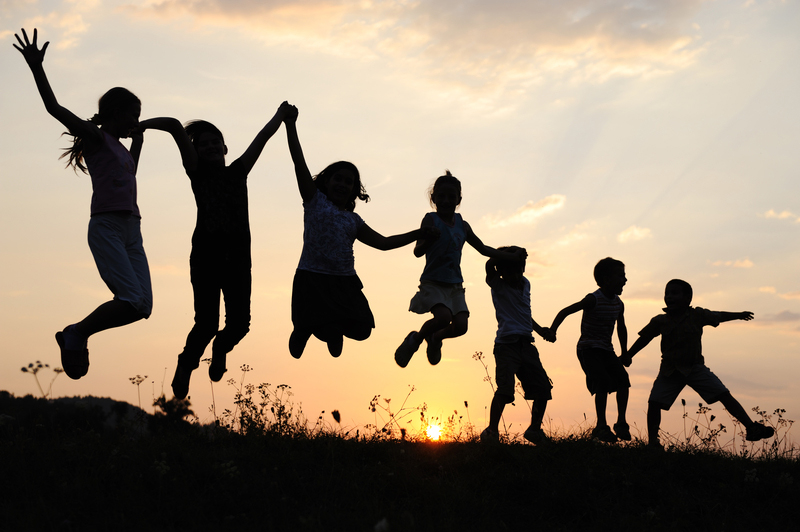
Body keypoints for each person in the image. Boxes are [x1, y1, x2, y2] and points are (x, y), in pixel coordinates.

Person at [14, 28, 152, 380]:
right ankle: (76, 333)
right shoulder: (96, 137)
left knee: (143, 306)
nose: (136, 121)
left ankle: (76, 333)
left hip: (131, 229)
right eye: (132, 115)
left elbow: (132, 170)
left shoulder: (122, 148)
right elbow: (53, 108)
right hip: (106, 226)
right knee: (131, 299)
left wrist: (138, 140)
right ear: (114, 114)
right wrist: (36, 67)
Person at [137, 103, 291, 399]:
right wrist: (139, 126)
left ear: (225, 148)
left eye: (214, 142)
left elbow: (263, 137)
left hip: (238, 261)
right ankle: (187, 363)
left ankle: (221, 348)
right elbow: (171, 123)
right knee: (206, 323)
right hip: (206, 258)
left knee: (239, 325)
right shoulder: (196, 172)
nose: (209, 147)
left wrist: (280, 116)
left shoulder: (238, 172)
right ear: (195, 151)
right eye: (202, 143)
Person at [282, 104, 438, 359]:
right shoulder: (314, 200)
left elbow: (385, 242)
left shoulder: (353, 221)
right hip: (311, 276)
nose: (343, 184)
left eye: (349, 181)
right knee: (303, 341)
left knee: (363, 328)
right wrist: (290, 125)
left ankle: (326, 327)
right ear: (326, 181)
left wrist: (419, 233)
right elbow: (298, 162)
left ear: (355, 189)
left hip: (343, 281)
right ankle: (305, 328)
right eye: (338, 178)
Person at [622, 279, 775, 448]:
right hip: (670, 370)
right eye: (667, 293)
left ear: (688, 298)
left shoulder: (698, 315)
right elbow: (644, 338)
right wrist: (629, 354)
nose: (669, 297)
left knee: (723, 394)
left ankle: (751, 427)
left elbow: (719, 315)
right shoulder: (660, 321)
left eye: (674, 293)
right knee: (654, 403)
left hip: (695, 368)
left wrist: (738, 315)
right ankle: (652, 443)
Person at [394, 171, 525, 368]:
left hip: (455, 285)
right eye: (441, 196)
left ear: (459, 199)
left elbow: (482, 249)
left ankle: (436, 338)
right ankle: (417, 339)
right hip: (434, 282)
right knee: (443, 318)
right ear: (433, 198)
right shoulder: (430, 220)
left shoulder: (462, 226)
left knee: (461, 327)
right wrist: (428, 238)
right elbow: (417, 252)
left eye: (451, 196)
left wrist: (510, 256)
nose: (446, 201)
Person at [480, 247, 556, 444]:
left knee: (542, 389)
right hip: (506, 345)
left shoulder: (526, 284)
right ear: (501, 271)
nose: (514, 275)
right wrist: (512, 254)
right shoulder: (498, 284)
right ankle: (492, 431)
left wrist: (540, 331)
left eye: (518, 270)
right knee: (505, 391)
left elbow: (524, 314)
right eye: (509, 271)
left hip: (527, 345)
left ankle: (534, 429)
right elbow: (489, 264)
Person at [549, 257, 630, 442]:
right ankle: (601, 425)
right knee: (602, 381)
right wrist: (553, 330)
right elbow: (566, 311)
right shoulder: (593, 299)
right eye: (621, 276)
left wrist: (624, 352)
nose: (625, 280)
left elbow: (621, 328)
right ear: (606, 279)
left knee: (623, 380)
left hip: (606, 350)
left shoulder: (619, 304)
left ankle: (621, 423)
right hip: (588, 349)